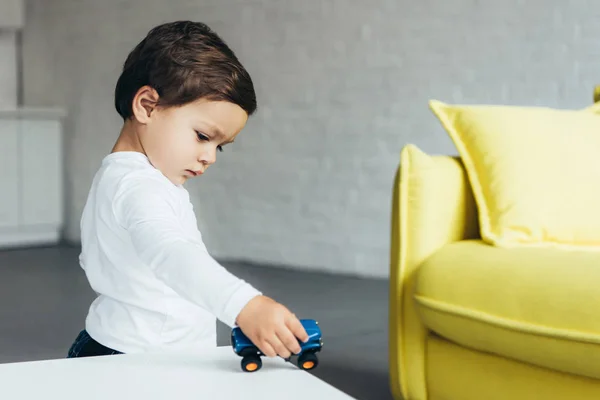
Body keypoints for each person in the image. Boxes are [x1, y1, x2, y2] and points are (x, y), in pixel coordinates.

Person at [67, 20, 308, 359]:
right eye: (203, 136)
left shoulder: (125, 178)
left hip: (128, 348)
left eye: (220, 146)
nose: (209, 157)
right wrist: (245, 305)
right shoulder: (138, 187)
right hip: (136, 361)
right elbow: (172, 254)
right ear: (147, 106)